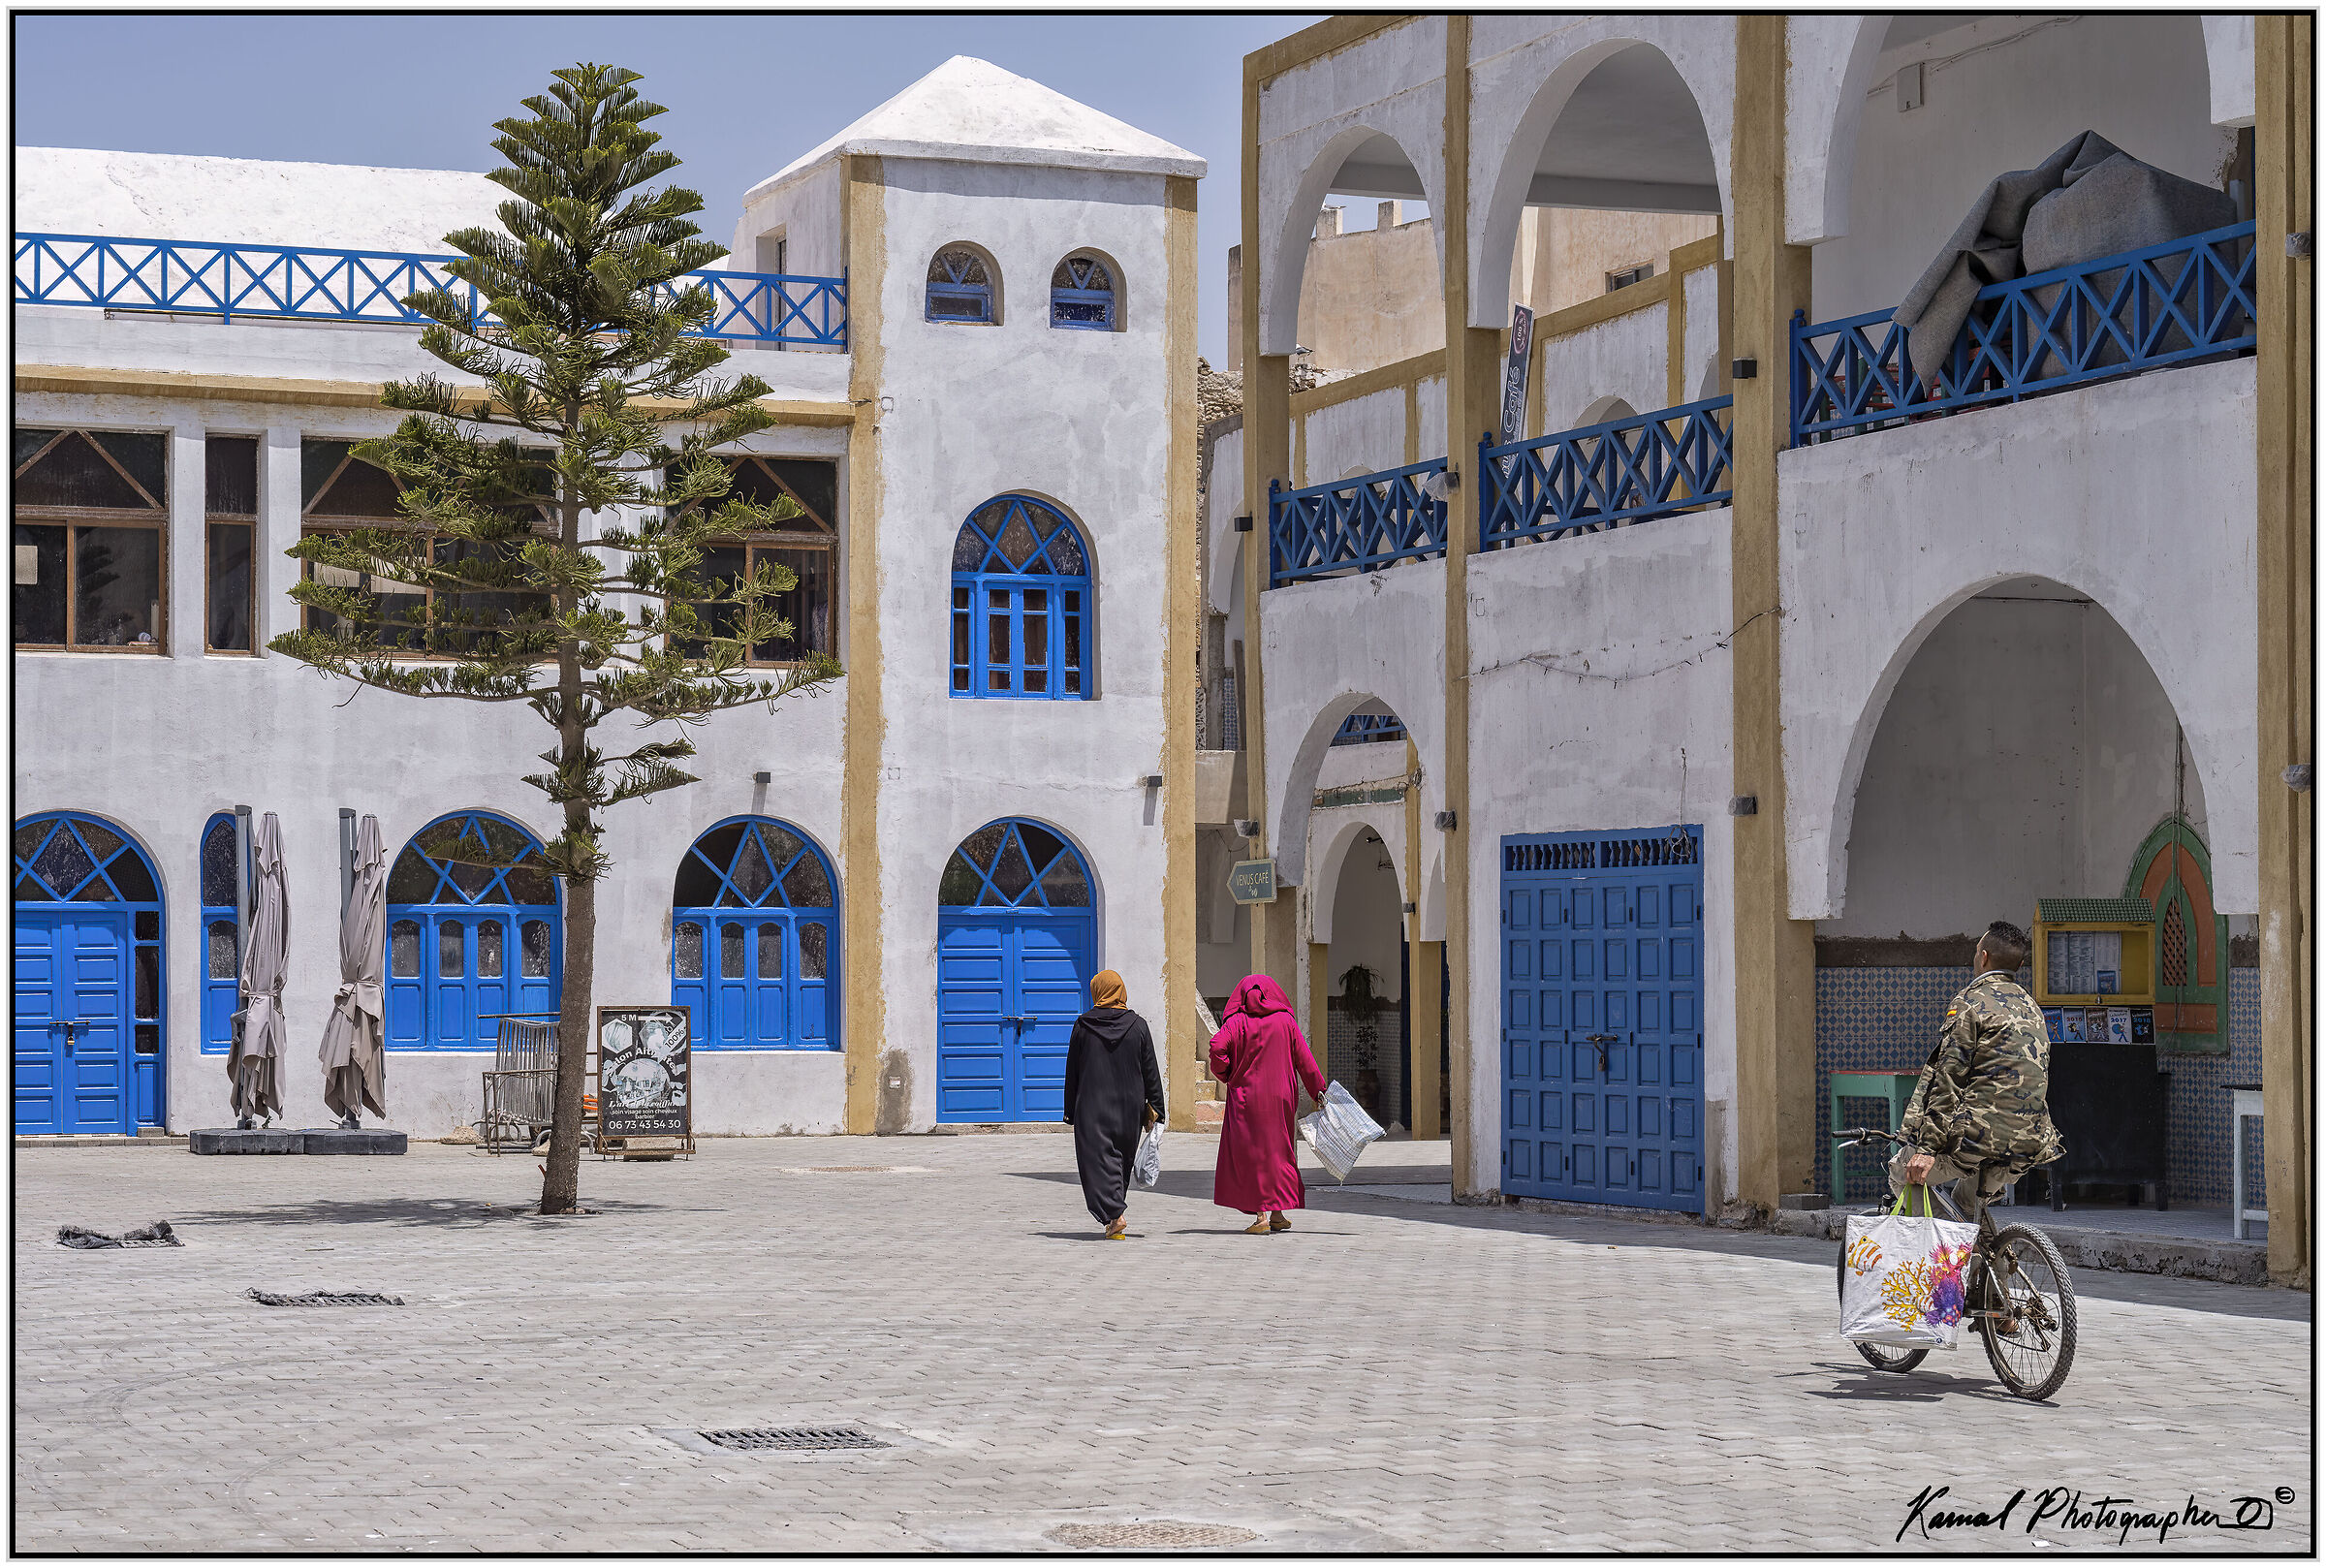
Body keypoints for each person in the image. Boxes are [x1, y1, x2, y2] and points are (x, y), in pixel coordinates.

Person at [1893, 920, 2063, 1222]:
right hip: (2030, 1141)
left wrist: (1927, 1149)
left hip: (1977, 1138)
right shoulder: (2032, 1006)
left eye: (1976, 952)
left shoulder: (1970, 1002)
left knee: (1902, 1170)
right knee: (1966, 1205)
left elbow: (1948, 1080)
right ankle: (1990, 1261)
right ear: (2020, 964)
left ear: (1982, 957)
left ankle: (1942, 1256)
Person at [1209, 974, 1327, 1235]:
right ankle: (1277, 1213)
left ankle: (1262, 1215)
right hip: (1280, 1099)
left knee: (1253, 1155)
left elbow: (1217, 1047)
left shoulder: (1237, 1021)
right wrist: (1318, 1090)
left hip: (1246, 1099)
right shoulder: (1285, 1021)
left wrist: (1226, 1073)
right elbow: (1304, 1059)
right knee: (1279, 1152)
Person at [1062, 969, 1163, 1240]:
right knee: (1121, 1159)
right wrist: (1156, 1107)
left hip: (1092, 1106)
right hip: (1129, 1107)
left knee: (1096, 1162)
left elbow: (1073, 1072)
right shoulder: (1138, 1025)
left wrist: (1069, 1110)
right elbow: (1150, 1069)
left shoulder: (1083, 1025)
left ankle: (1115, 1215)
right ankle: (1113, 1219)